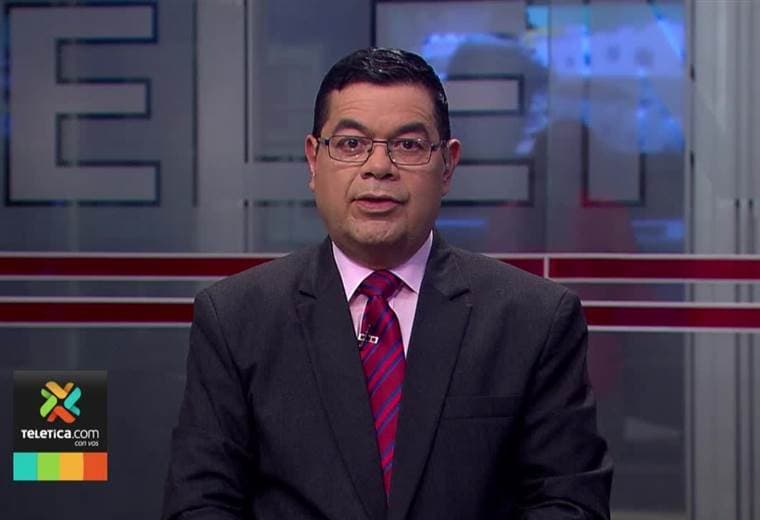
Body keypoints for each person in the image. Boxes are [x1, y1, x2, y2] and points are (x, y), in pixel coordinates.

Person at [162, 48, 612, 520]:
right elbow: (200, 504)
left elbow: (569, 503)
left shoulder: (534, 320)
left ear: (448, 165)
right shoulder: (237, 318)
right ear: (313, 160)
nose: (378, 167)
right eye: (351, 144)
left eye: (409, 145)